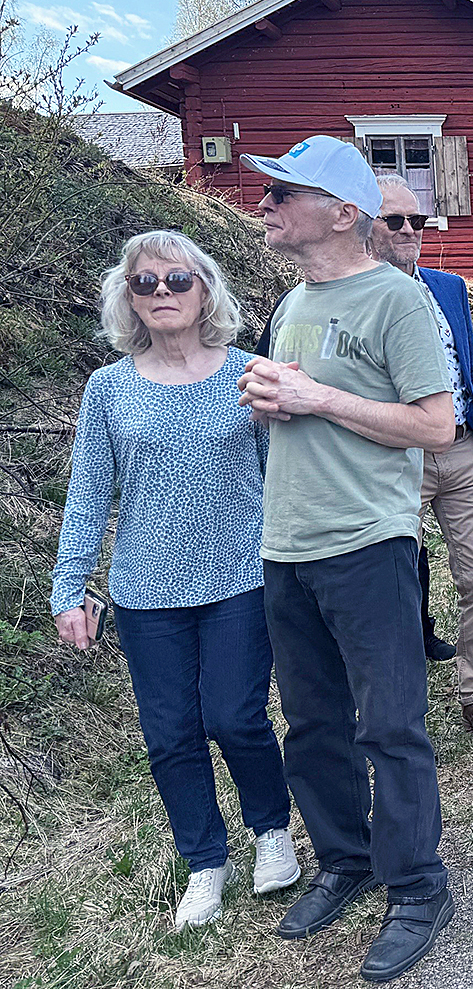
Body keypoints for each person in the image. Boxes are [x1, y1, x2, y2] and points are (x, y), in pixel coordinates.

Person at [236, 135, 455, 981]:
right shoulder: (292, 302)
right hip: (285, 544)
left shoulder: (394, 300)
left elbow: (436, 426)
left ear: (342, 212)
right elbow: (307, 411)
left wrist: (314, 396)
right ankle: (347, 858)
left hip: (366, 543)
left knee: (390, 724)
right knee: (314, 722)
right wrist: (271, 406)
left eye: (283, 192)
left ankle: (417, 885)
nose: (266, 203)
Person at [50, 231, 298, 932]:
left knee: (235, 714)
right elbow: (90, 492)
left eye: (177, 280)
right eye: (145, 283)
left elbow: (282, 475)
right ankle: (204, 863)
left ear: (205, 289)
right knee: (169, 734)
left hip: (239, 577)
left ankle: (270, 830)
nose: (162, 292)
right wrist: (70, 587)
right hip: (144, 591)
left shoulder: (249, 372)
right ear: (127, 299)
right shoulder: (109, 387)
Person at [369, 174, 473, 740]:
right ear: (363, 224)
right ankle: (399, 704)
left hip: (464, 449)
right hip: (393, 458)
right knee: (391, 585)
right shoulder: (353, 294)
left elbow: (468, 361)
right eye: (396, 220)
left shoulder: (450, 287)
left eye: (418, 220)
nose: (410, 231)